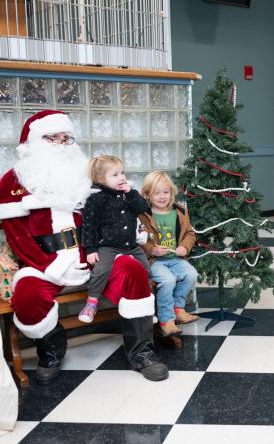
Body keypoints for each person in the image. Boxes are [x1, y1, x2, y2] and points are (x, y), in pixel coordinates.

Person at [0, 111, 168, 383]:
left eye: (66, 138)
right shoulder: (12, 181)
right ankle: (52, 350)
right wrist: (50, 266)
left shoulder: (86, 173)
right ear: (32, 142)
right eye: (52, 138)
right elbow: (17, 234)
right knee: (27, 295)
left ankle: (142, 352)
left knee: (133, 269)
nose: (61, 144)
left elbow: (109, 213)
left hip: (96, 251)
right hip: (44, 260)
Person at [79, 156, 151, 324]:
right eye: (115, 175)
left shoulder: (128, 194)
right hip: (108, 246)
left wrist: (131, 193)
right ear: (100, 179)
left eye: (122, 173)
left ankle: (145, 306)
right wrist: (91, 249)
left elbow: (142, 209)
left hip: (131, 245)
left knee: (146, 270)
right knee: (101, 270)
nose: (122, 177)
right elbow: (89, 225)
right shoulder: (96, 199)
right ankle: (92, 302)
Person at [139, 171, 198, 337]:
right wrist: (152, 249)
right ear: (147, 194)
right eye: (156, 193)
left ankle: (177, 308)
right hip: (155, 261)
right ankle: (166, 320)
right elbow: (138, 239)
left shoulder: (180, 211)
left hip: (175, 258)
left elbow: (189, 233)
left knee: (191, 274)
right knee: (168, 280)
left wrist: (185, 248)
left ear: (171, 193)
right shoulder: (143, 215)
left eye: (166, 192)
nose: (162, 196)